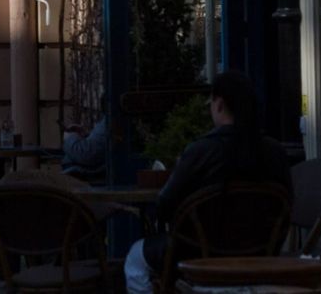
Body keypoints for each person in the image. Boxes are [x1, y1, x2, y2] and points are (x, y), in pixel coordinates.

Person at [124, 72, 293, 294]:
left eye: (210, 103)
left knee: (135, 260)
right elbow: (287, 204)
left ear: (219, 104)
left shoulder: (201, 151)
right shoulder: (275, 152)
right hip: (260, 254)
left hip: (197, 255)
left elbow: (165, 204)